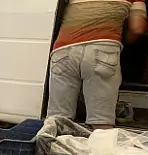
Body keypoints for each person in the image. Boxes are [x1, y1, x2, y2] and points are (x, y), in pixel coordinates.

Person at [47, 0, 148, 129]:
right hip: (103, 48)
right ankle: (100, 147)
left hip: (63, 50)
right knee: (101, 122)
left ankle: (51, 147)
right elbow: (137, 28)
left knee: (57, 120)